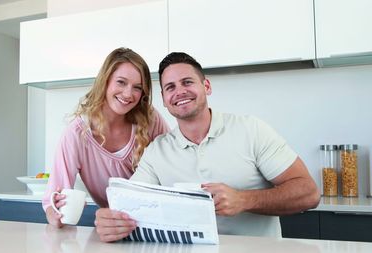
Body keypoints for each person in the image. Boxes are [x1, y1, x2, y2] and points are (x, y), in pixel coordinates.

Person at [94, 52, 320, 242]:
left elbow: (309, 193)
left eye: (187, 82)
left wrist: (244, 200)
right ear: (164, 99)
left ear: (207, 86)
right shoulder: (157, 152)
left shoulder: (251, 130)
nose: (180, 91)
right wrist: (109, 220)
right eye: (170, 87)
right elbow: (128, 207)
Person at [43, 47, 170, 228]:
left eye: (137, 87)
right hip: (114, 227)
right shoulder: (77, 133)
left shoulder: (150, 120)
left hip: (158, 222)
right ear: (105, 81)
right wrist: (55, 214)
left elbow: (173, 166)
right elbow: (52, 202)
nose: (128, 94)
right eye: (121, 82)